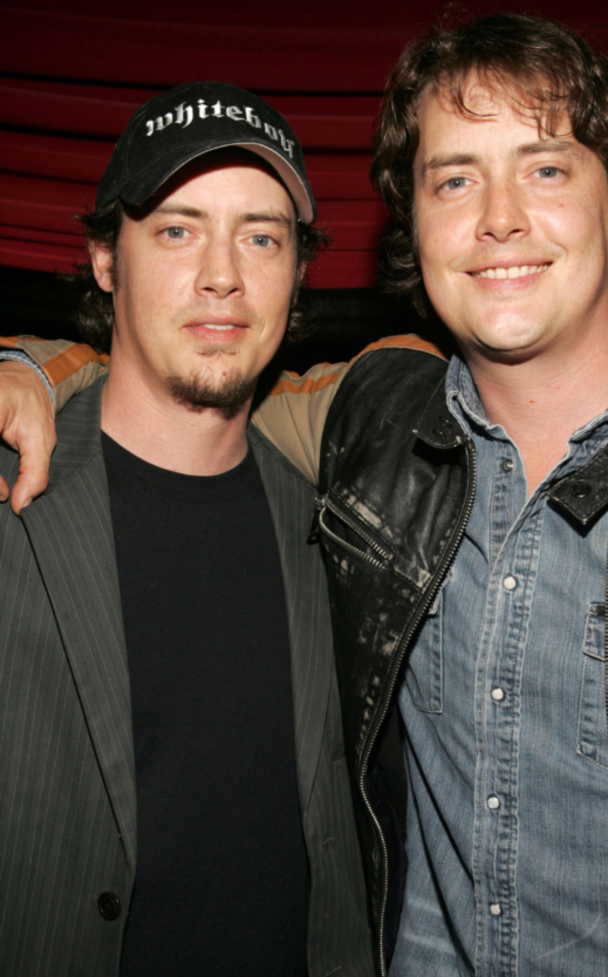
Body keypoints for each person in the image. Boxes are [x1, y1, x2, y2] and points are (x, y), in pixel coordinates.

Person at [4, 14, 608, 977]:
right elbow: (178, 364)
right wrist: (34, 367)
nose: (498, 216)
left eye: (545, 167)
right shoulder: (372, 418)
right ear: (413, 220)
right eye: (456, 178)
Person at [0, 81, 374, 977]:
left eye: (261, 236)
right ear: (104, 259)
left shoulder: (344, 524)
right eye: (177, 229)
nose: (223, 274)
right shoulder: (15, 492)